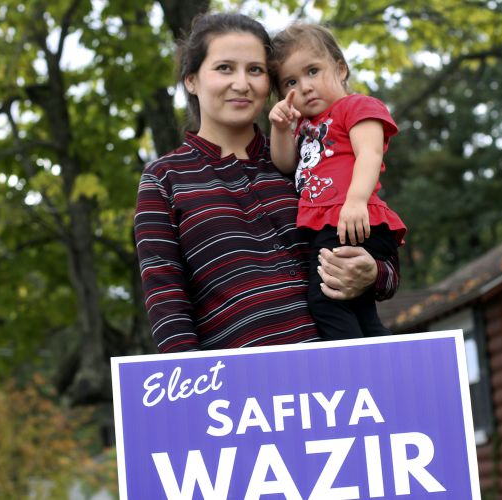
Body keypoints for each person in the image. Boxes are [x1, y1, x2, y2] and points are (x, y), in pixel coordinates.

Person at [134, 12, 400, 353]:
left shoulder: (310, 157)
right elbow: (168, 307)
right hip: (250, 392)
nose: (242, 83)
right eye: (224, 68)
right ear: (192, 80)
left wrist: (373, 273)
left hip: (344, 376)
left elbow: (385, 263)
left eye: (255, 70)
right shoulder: (163, 180)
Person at [268, 23, 407, 340]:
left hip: (353, 219)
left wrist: (355, 201)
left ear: (340, 68)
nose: (304, 86)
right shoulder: (303, 126)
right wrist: (279, 127)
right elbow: (286, 163)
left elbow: (369, 154)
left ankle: (351, 367)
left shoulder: (356, 107)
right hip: (327, 225)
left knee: (325, 299)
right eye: (291, 81)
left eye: (313, 71)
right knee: (356, 306)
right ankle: (383, 356)